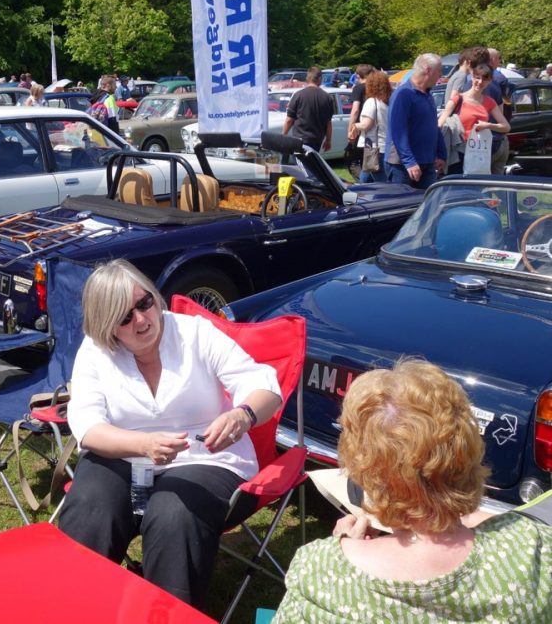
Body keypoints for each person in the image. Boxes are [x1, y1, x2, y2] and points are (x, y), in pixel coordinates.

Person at [58, 259, 282, 609]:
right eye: (124, 317)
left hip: (205, 455)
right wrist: (141, 444)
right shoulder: (96, 350)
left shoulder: (195, 333)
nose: (142, 320)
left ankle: (169, 616)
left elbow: (263, 386)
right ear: (107, 327)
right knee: (91, 506)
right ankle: (73, 610)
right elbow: (87, 426)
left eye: (144, 303)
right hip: (125, 453)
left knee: (172, 511)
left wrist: (243, 415)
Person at [273, 360, 552, 623]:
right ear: (468, 450)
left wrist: (346, 548)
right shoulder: (534, 550)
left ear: (364, 470)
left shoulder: (320, 572)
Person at [385, 53, 446, 189]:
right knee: (402, 206)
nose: (440, 75)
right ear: (428, 70)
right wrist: (409, 162)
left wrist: (441, 153)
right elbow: (398, 132)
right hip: (402, 166)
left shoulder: (427, 95)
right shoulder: (403, 95)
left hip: (427, 162)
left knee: (427, 206)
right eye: (439, 71)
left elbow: (433, 126)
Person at [437, 63, 511, 174]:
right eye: (477, 78)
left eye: (485, 79)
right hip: (458, 151)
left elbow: (506, 127)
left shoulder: (489, 101)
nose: (480, 82)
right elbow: (440, 125)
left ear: (490, 81)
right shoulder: (458, 99)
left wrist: (488, 125)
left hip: (479, 153)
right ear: (472, 77)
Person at [283, 66, 334, 152]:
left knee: (302, 164)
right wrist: (328, 140)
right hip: (317, 139)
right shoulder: (327, 97)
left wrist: (283, 136)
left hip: (299, 139)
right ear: (320, 78)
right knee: (311, 163)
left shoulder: (298, 95)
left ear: (307, 78)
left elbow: (289, 120)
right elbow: (328, 123)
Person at [353, 70, 391, 183]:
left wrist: (355, 125)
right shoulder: (386, 103)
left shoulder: (371, 102)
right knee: (366, 177)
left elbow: (366, 124)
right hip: (383, 146)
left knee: (381, 183)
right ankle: (359, 193)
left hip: (374, 147)